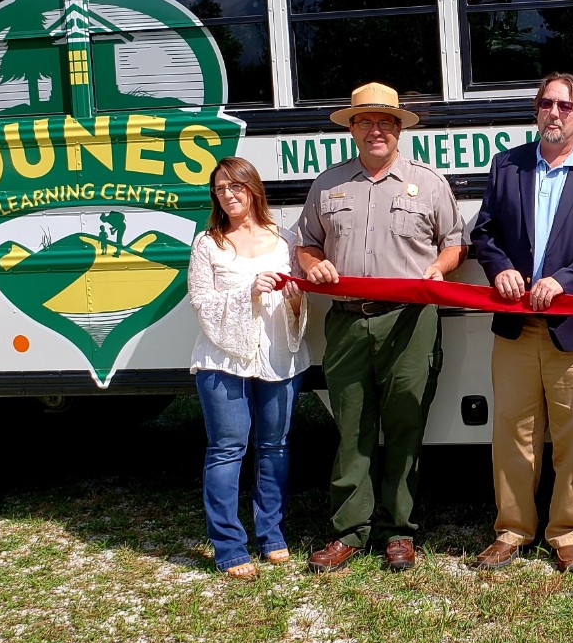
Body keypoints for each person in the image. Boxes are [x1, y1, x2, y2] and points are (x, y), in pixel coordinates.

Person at [296, 82, 467, 574]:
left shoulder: (429, 183)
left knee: (405, 425)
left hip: (410, 322)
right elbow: (306, 244)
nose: (376, 130)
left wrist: (441, 269)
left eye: (385, 122)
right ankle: (349, 531)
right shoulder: (327, 186)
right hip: (349, 322)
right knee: (351, 427)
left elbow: (454, 242)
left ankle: (399, 531)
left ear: (399, 129)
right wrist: (312, 266)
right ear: (351, 128)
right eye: (365, 121)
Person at [470, 72, 573, 574]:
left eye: (565, 106)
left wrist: (564, 280)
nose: (554, 113)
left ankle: (566, 532)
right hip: (518, 326)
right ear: (536, 111)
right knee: (513, 432)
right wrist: (500, 270)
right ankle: (511, 530)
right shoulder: (508, 166)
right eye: (546, 104)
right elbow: (485, 232)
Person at [188, 156, 310, 580]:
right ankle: (228, 546)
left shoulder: (285, 240)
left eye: (235, 187)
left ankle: (272, 535)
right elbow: (201, 303)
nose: (228, 195)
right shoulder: (208, 244)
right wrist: (248, 291)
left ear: (253, 189)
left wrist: (294, 297)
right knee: (226, 449)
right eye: (220, 189)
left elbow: (299, 303)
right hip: (223, 360)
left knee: (274, 447)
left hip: (279, 356)